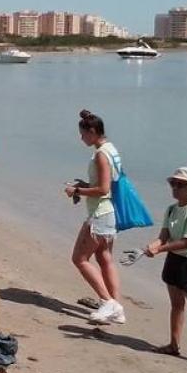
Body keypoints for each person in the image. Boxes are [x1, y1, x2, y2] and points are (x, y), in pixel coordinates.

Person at [145, 167, 187, 368]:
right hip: (174, 259)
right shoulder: (171, 209)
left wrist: (159, 249)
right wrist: (153, 245)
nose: (175, 188)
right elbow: (164, 235)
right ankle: (173, 345)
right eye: (173, 184)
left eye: (180, 185)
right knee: (176, 305)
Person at [65, 110, 126, 324]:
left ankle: (107, 301)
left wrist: (77, 191)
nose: (81, 138)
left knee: (79, 259)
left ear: (92, 132)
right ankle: (116, 308)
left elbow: (103, 189)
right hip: (109, 213)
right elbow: (104, 184)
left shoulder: (101, 154)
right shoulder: (112, 150)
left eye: (83, 134)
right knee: (104, 259)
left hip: (100, 213)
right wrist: (84, 185)